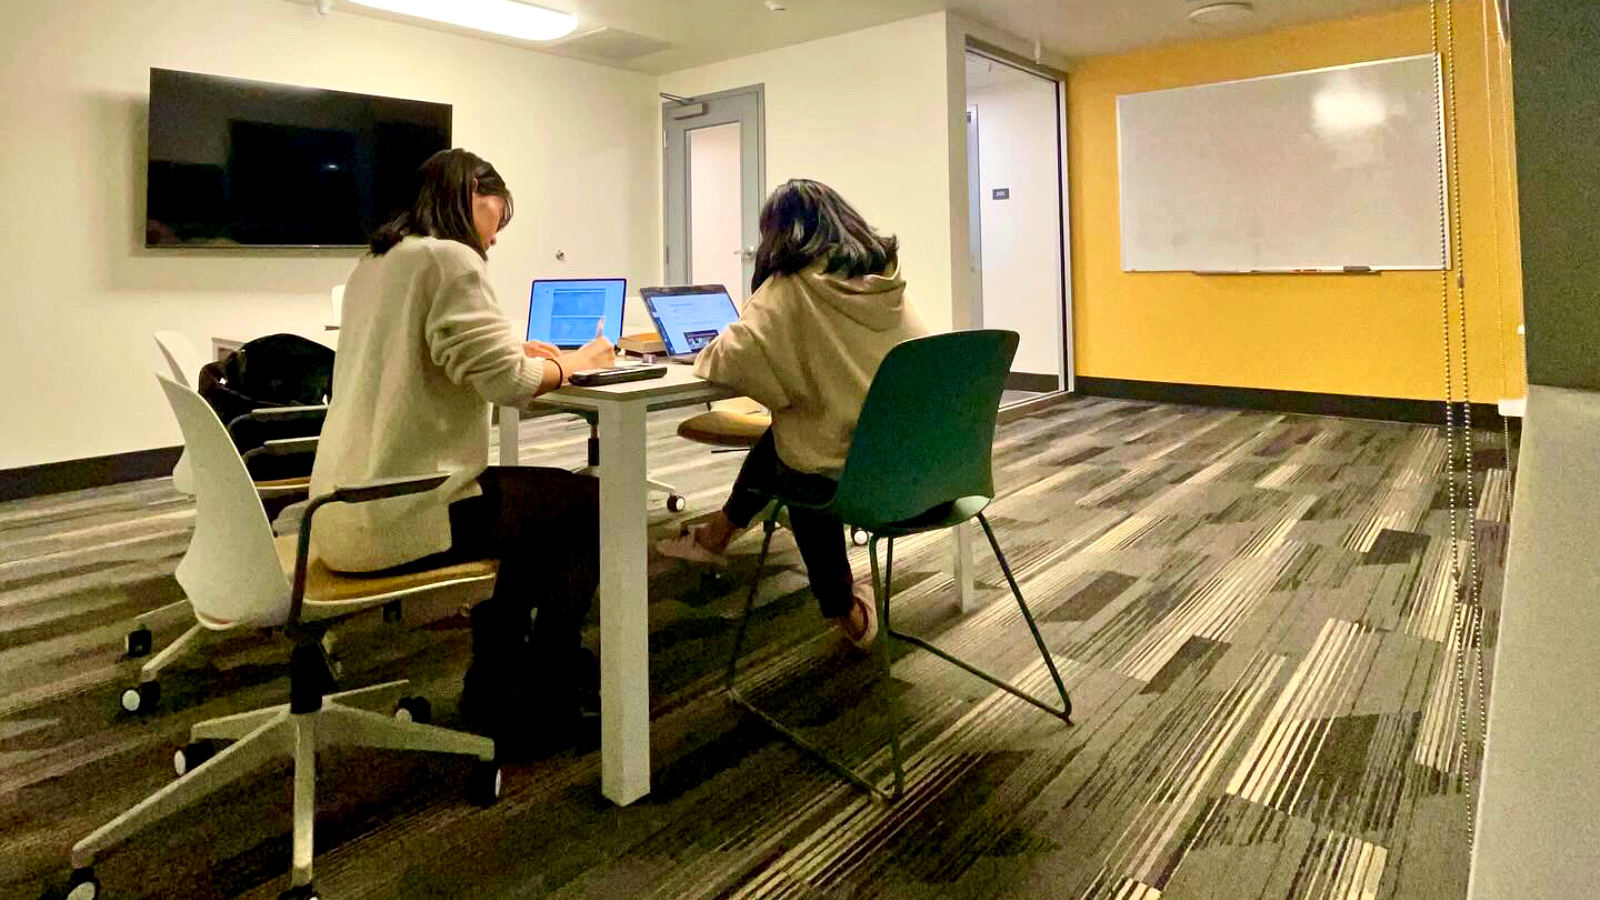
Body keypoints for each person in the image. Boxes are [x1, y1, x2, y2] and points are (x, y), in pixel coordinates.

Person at [308, 148, 615, 756]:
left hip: (340, 506)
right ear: (471, 192)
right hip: (401, 510)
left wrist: (514, 348)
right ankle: (546, 689)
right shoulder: (449, 258)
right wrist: (573, 363)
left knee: (543, 506)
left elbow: (432, 352)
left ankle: (498, 680)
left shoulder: (377, 263)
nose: (495, 240)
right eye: (497, 219)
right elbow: (507, 386)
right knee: (596, 503)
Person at [656, 179, 927, 649]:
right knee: (796, 426)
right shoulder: (886, 282)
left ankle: (847, 612)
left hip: (851, 480)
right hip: (923, 464)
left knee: (798, 459)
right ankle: (717, 535)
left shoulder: (792, 287)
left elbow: (727, 359)